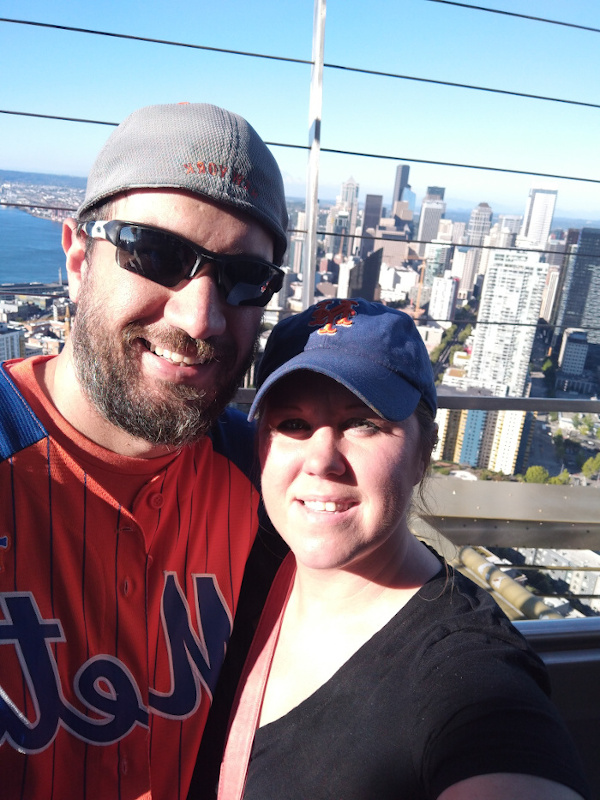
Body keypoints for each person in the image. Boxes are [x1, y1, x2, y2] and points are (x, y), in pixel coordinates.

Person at [0, 102, 288, 800]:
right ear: (76, 257)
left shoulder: (276, 491)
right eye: (155, 254)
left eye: (243, 278)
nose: (200, 317)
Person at [216, 298, 590, 800]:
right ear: (259, 442)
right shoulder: (235, 569)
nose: (322, 459)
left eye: (363, 423)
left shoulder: (462, 672)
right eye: (292, 424)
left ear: (424, 451)